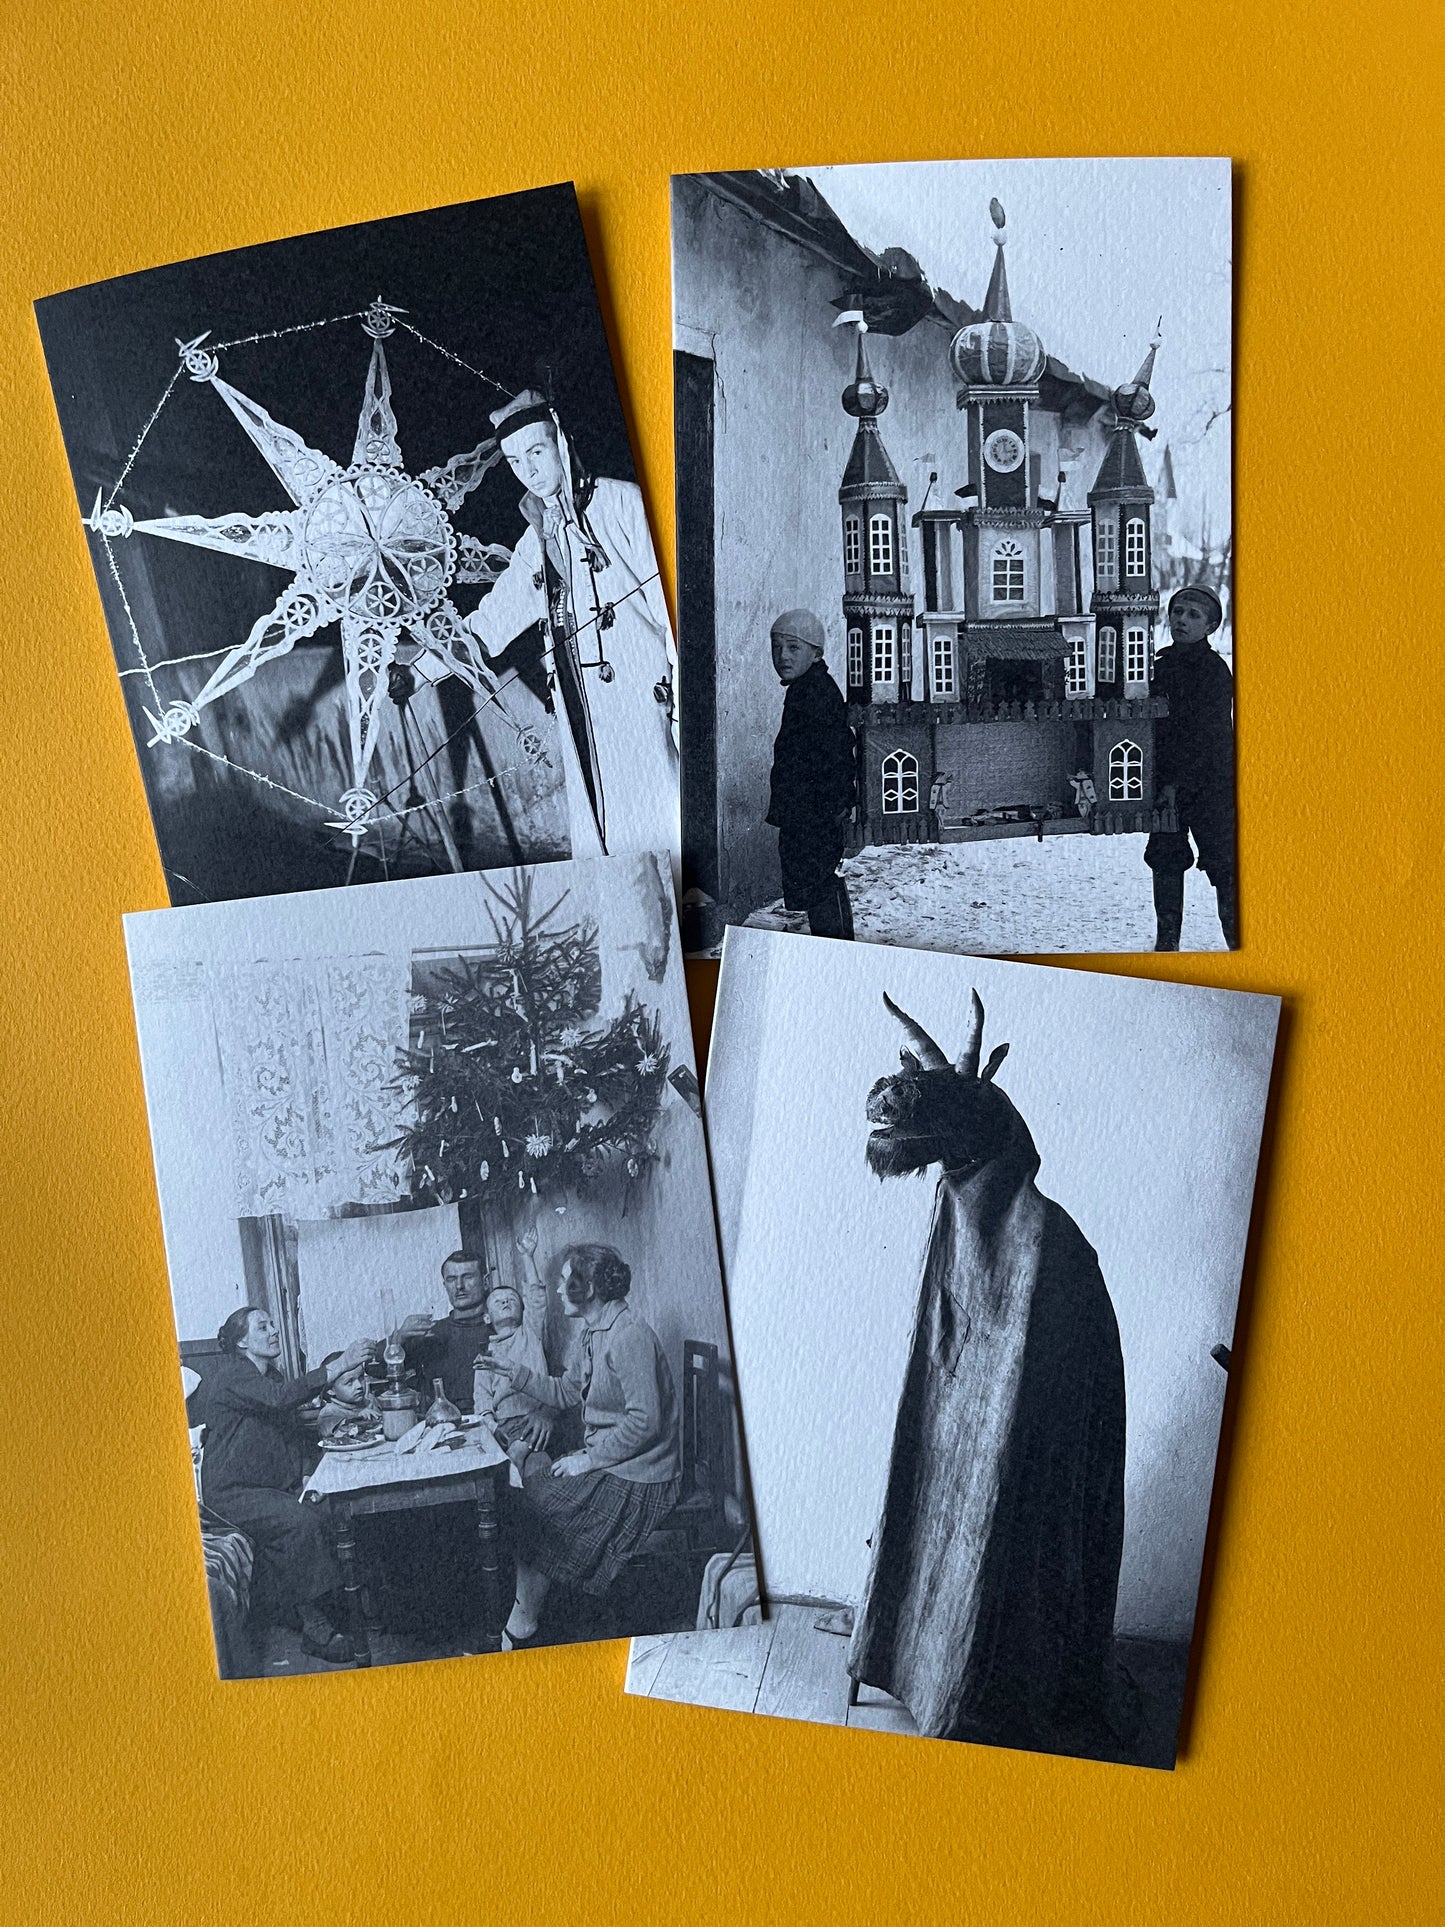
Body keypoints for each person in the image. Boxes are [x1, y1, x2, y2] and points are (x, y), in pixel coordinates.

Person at [462, 390, 678, 872]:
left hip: (642, 705)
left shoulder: (624, 505)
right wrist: (419, 670)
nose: (528, 471)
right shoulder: (537, 535)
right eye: (515, 461)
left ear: (560, 441)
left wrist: (678, 704)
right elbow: (491, 621)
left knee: (654, 828)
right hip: (580, 711)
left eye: (536, 452)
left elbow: (671, 614)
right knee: (601, 840)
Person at [476, 1244, 681, 1649]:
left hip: (645, 1473)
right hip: (616, 1459)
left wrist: (587, 1460)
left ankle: (521, 1628)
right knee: (530, 1501)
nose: (556, 1289)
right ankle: (525, 1621)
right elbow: (568, 1391)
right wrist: (513, 1372)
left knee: (539, 1506)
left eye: (564, 1280)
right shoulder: (593, 1332)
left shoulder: (629, 1336)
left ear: (586, 1288)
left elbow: (646, 1421)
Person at [202, 1308, 372, 1665]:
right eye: (263, 1327)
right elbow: (280, 1400)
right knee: (299, 1523)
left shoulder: (269, 1376)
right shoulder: (234, 1374)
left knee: (326, 1508)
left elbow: (289, 1432)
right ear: (242, 1341)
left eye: (272, 1324)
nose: (275, 1331)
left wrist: (308, 1473)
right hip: (232, 1492)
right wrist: (338, 1365)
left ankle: (335, 1609)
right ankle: (316, 1630)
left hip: (267, 1486)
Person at [1143, 585, 1238, 950]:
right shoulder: (1160, 666)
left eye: (1193, 615)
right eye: (1177, 611)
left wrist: (1177, 783)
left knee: (1223, 864)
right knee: (1165, 859)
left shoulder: (1215, 672)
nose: (1181, 620)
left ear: (1211, 626)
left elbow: (1207, 737)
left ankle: (1238, 943)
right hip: (1165, 785)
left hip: (1210, 786)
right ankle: (1167, 945)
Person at [765, 609, 857, 939]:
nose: (782, 656)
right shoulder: (805, 688)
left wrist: (835, 804)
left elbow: (835, 751)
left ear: (816, 653)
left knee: (818, 883)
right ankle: (836, 945)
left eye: (793, 647)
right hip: (807, 810)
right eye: (776, 647)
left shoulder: (815, 692)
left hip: (814, 812)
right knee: (816, 883)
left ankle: (837, 948)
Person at [473, 1227, 552, 1459]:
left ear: (523, 1309)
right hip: (503, 1424)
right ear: (487, 1317)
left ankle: (519, 1454)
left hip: (534, 1416)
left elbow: (536, 1299)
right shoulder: (485, 1354)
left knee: (528, 1459)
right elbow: (482, 1396)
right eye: (498, 1301)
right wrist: (491, 1425)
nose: (506, 1302)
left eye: (511, 1300)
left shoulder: (530, 1333)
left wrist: (527, 1256)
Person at [398, 1250, 495, 1411]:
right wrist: (399, 1338)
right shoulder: (432, 1333)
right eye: (451, 1279)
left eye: (468, 1277)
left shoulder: (502, 1328)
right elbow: (377, 1369)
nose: (459, 1286)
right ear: (445, 1285)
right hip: (444, 1426)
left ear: (485, 1282)